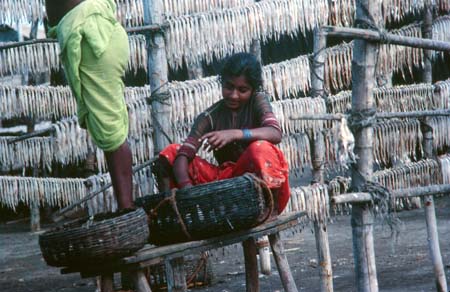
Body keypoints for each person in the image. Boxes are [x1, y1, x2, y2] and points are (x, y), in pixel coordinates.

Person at [154, 52, 290, 215]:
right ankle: (173, 213)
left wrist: (235, 134)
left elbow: (275, 133)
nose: (233, 95)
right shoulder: (209, 117)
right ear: (222, 83)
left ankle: (269, 210)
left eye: (242, 90)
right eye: (228, 87)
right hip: (227, 183)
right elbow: (182, 156)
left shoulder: (258, 101)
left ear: (253, 89)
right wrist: (187, 189)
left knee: (260, 149)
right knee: (171, 152)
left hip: (259, 183)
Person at [45, 0, 133, 209]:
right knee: (107, 127)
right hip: (89, 31)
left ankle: (127, 209)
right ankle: (126, 207)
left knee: (110, 132)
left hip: (91, 36)